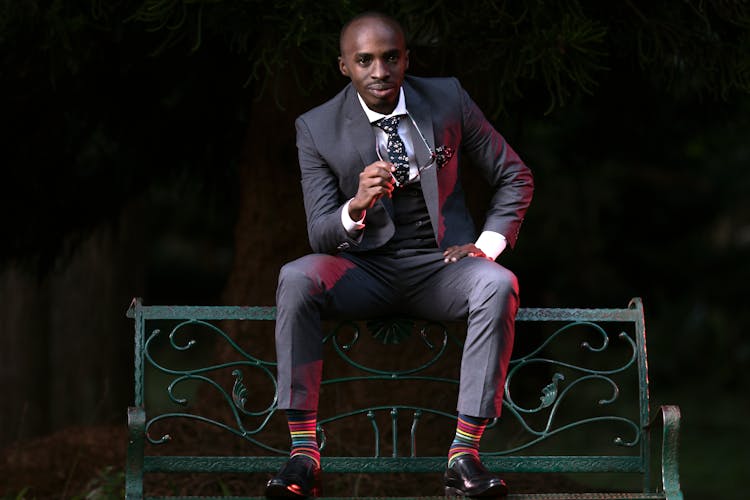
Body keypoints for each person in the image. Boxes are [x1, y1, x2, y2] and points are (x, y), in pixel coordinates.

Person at [265, 11, 533, 499]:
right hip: (361, 268)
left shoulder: (448, 98)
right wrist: (356, 205)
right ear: (344, 66)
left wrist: (486, 247)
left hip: (441, 267)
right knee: (297, 278)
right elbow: (322, 234)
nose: (380, 71)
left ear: (407, 58)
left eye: (390, 57)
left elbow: (515, 175)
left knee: (497, 283)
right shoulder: (317, 127)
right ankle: (303, 456)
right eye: (364, 60)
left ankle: (464, 457)